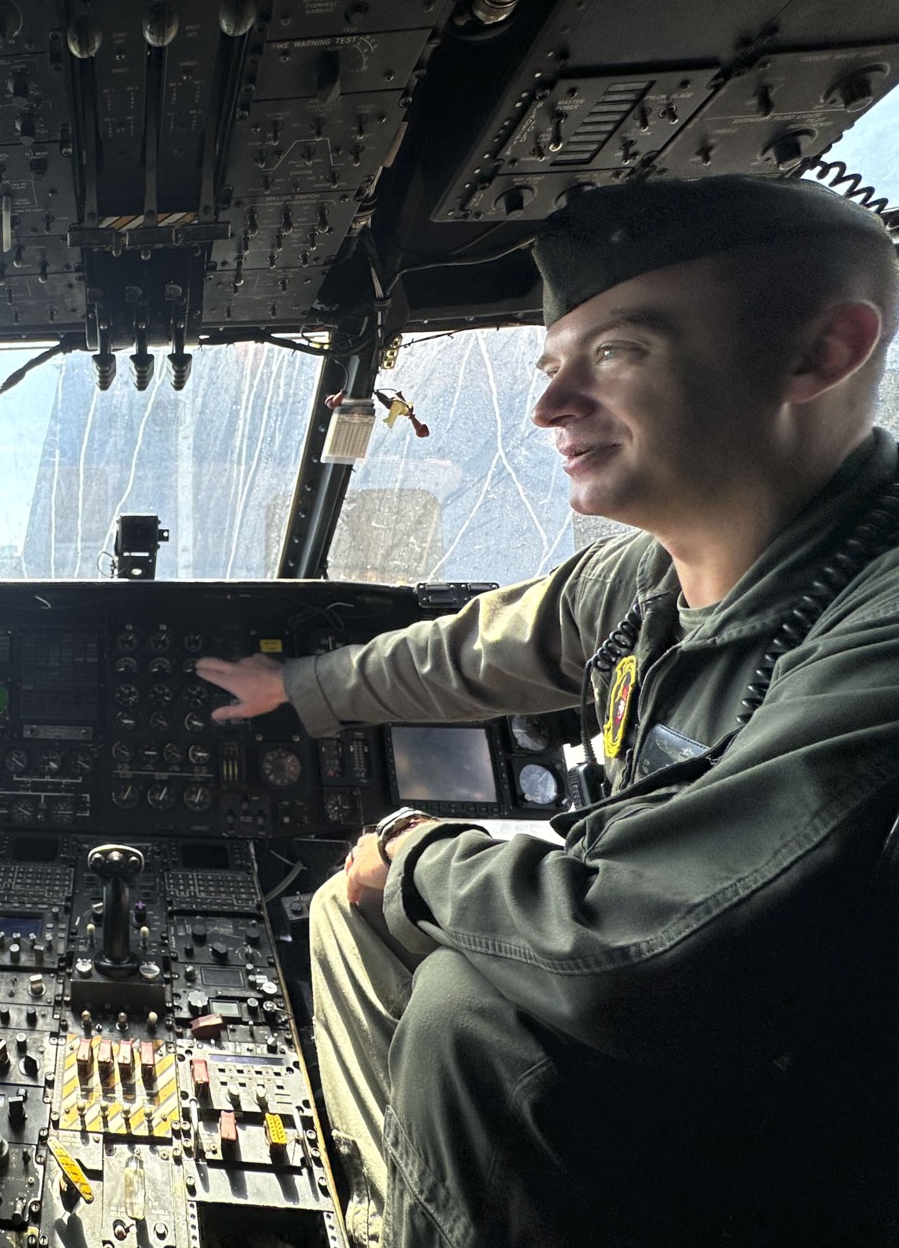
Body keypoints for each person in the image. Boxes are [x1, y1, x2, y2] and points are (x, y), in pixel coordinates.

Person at [197, 175, 899, 1246]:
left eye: (617, 350)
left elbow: (655, 949)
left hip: (808, 1115)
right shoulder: (644, 582)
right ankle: (400, 1220)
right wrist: (299, 688)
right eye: (550, 363)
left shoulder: (878, 614)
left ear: (820, 352)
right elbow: (472, 653)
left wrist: (424, 850)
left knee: (470, 1017)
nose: (548, 407)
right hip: (694, 1032)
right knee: (353, 910)